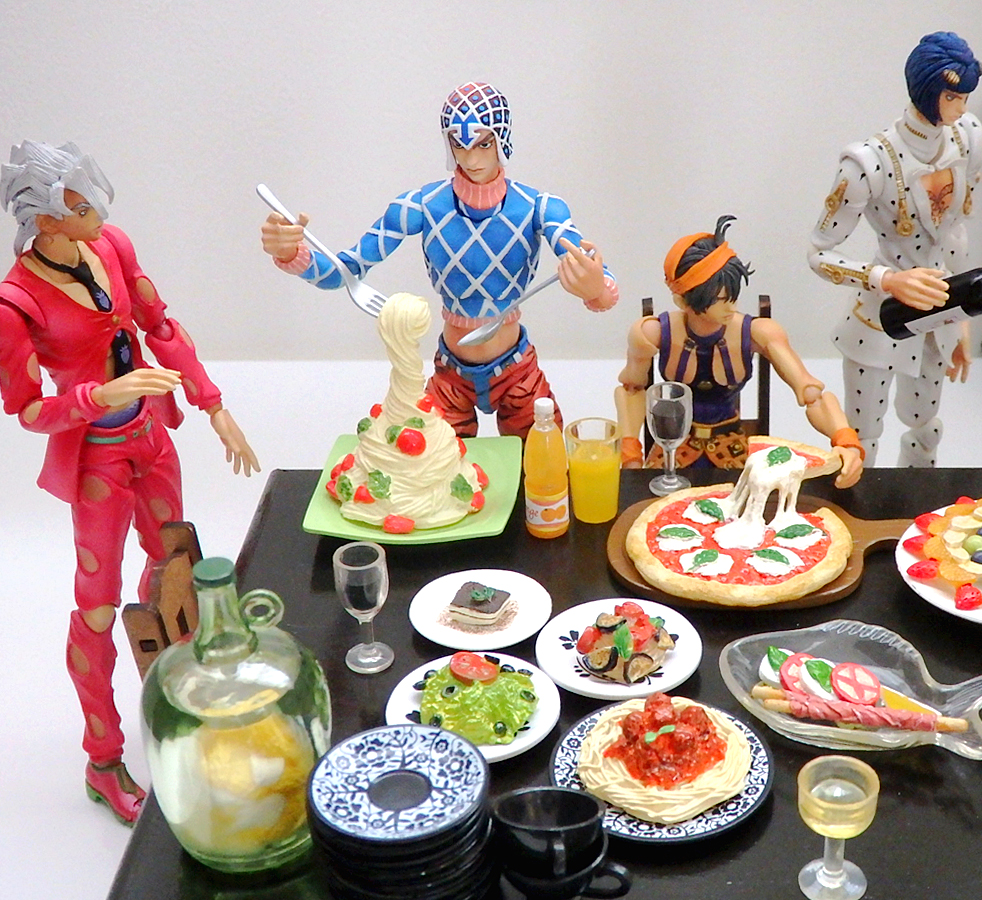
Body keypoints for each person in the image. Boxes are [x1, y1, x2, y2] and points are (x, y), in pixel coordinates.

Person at [0, 141, 259, 824]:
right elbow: (27, 410)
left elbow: (160, 324)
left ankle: (187, 707)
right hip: (99, 462)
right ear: (46, 219)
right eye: (80, 207)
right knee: (97, 607)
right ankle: (104, 758)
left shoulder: (111, 246)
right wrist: (101, 393)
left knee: (174, 569)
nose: (97, 216)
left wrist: (213, 404)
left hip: (152, 438)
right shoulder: (15, 303)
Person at [261, 81, 617, 438]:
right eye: (460, 145)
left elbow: (598, 274)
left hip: (518, 372)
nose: (471, 159)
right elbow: (343, 273)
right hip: (450, 376)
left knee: (542, 461)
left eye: (483, 144)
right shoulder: (420, 206)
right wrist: (292, 253)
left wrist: (594, 288)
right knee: (435, 465)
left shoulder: (539, 207)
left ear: (502, 140)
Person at [808, 31, 982, 467]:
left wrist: (961, 312)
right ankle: (858, 498)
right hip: (879, 315)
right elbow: (819, 253)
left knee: (925, 424)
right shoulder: (869, 163)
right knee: (862, 433)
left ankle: (918, 497)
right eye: (952, 96)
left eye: (965, 97)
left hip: (939, 309)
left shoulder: (968, 138)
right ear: (927, 91)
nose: (961, 107)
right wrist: (887, 279)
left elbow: (955, 234)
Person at [615, 216, 864, 488]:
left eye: (733, 297)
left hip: (732, 450)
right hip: (675, 449)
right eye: (720, 300)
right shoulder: (654, 333)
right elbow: (632, 389)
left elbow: (811, 393)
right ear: (683, 300)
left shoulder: (758, 333)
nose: (731, 308)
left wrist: (846, 440)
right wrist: (630, 452)